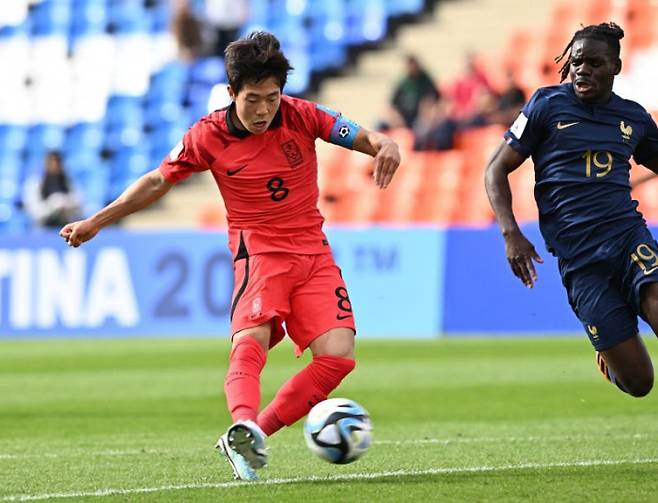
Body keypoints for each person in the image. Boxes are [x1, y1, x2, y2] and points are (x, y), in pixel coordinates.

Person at [59, 32, 401, 480]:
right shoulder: (208, 136)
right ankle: (242, 421)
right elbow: (157, 182)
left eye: (272, 98)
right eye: (253, 99)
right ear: (232, 92)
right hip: (259, 252)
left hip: (313, 252)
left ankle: (249, 435)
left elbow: (361, 136)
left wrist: (385, 143)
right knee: (251, 339)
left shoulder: (302, 115)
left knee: (338, 356)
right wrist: (97, 221)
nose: (263, 110)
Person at [485, 22, 658, 398]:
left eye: (595, 63)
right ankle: (610, 360)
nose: (583, 70)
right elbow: (495, 169)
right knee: (640, 383)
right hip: (580, 261)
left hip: (628, 239)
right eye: (578, 62)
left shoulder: (633, 118)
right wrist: (511, 233)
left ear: (615, 66)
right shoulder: (546, 106)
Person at [379, 54, 440, 130]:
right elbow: (391, 105)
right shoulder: (402, 82)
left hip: (419, 117)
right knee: (380, 124)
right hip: (402, 117)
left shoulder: (426, 81)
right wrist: (396, 118)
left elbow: (433, 100)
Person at [24, 151, 81, 229]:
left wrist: (65, 203)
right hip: (43, 228)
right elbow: (34, 211)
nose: (54, 166)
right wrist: (53, 205)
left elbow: (79, 202)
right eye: (51, 163)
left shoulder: (68, 182)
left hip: (66, 226)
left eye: (57, 163)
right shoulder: (35, 183)